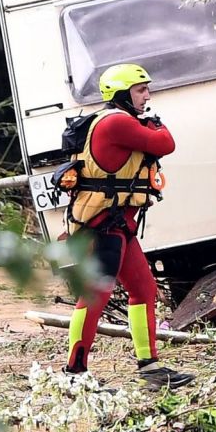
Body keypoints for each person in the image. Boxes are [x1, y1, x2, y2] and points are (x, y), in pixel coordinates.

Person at [63, 63, 195, 390]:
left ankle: (151, 367)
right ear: (122, 94)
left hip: (118, 224)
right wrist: (154, 123)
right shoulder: (117, 122)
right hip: (100, 225)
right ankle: (74, 374)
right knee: (96, 294)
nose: (147, 95)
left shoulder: (123, 120)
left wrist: (149, 121)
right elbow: (165, 143)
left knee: (144, 290)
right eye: (140, 90)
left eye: (146, 89)